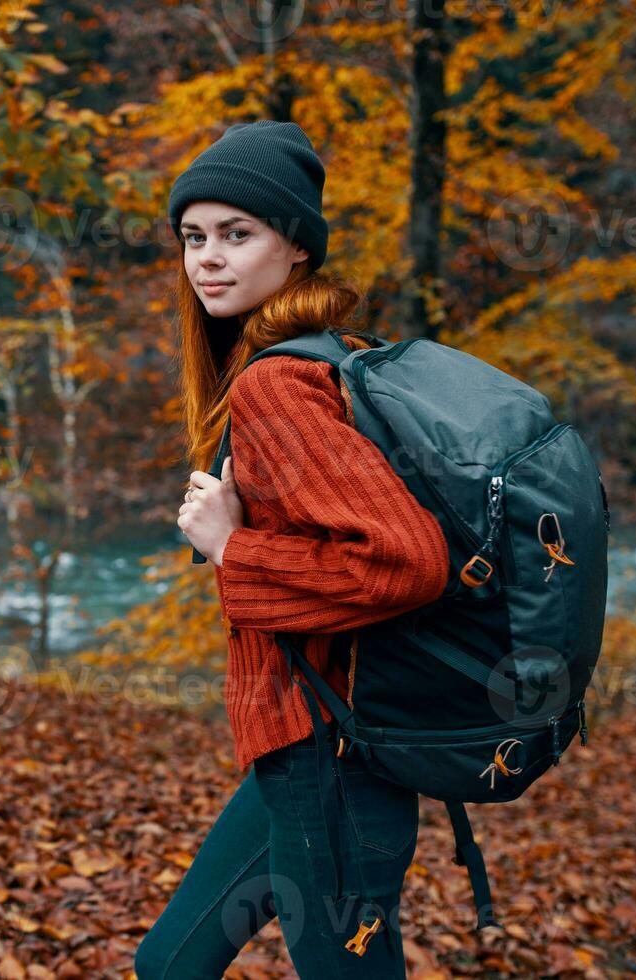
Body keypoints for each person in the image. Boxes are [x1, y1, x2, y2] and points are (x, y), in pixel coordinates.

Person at [134, 121, 451, 979]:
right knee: (168, 964)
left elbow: (405, 560)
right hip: (301, 750)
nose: (208, 258)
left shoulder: (279, 381)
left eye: (239, 235)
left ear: (298, 249)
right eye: (194, 238)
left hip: (334, 764)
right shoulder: (324, 359)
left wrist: (234, 552)